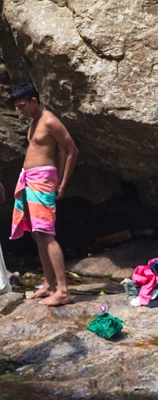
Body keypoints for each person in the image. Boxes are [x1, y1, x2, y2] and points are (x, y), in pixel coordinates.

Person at [9, 83, 78, 306]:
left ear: (34, 101)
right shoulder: (34, 121)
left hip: (43, 180)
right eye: (17, 108)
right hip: (30, 179)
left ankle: (64, 291)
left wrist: (62, 183)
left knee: (46, 234)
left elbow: (71, 150)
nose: (20, 111)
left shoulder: (49, 120)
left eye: (23, 106)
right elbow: (56, 151)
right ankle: (49, 284)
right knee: (36, 233)